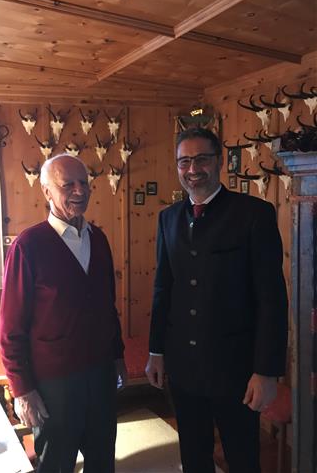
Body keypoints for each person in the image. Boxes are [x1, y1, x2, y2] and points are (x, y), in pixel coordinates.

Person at [145, 127, 288, 473]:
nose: (192, 169)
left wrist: (267, 371)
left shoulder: (254, 214)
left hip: (236, 370)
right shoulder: (167, 219)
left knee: (242, 458)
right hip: (183, 367)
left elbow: (272, 298)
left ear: (219, 161)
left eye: (201, 159)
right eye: (184, 161)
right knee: (194, 457)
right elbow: (164, 287)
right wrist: (156, 351)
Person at [0, 153, 127, 473]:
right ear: (46, 192)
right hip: (53, 383)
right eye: (67, 184)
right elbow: (10, 327)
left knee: (102, 460)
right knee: (56, 463)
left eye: (83, 183)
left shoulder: (99, 239)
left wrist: (117, 356)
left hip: (100, 376)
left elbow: (107, 307)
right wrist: (23, 390)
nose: (79, 190)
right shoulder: (28, 246)